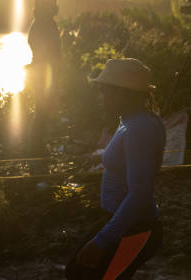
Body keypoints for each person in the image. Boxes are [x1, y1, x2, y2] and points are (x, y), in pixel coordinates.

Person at [65, 58, 165, 279]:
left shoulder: (140, 128)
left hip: (136, 228)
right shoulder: (130, 120)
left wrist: (102, 241)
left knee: (82, 274)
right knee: (77, 271)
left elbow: (140, 194)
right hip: (120, 220)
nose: (102, 98)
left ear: (124, 93)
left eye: (106, 92)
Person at [26, 0, 62, 158]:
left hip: (41, 71)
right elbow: (51, 53)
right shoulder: (44, 25)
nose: (51, 7)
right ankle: (36, 148)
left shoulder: (40, 23)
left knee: (43, 110)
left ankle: (38, 145)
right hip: (44, 73)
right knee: (42, 110)